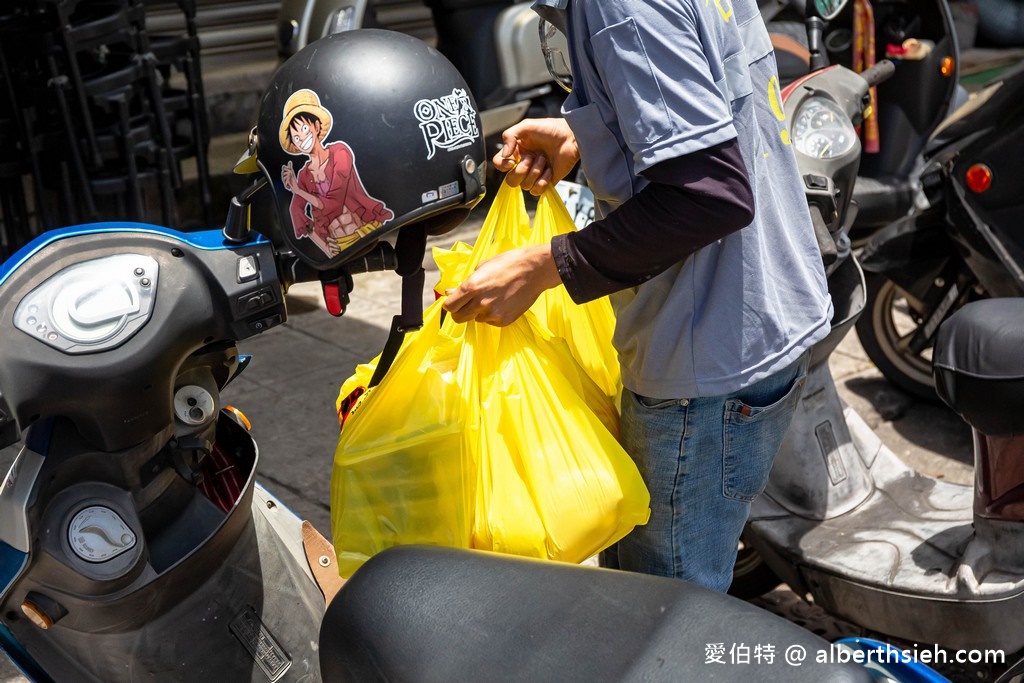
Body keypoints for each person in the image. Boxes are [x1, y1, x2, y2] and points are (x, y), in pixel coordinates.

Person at [442, 0, 833, 592]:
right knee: (638, 605)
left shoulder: (617, 6)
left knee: (668, 624)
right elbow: (711, 95)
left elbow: (708, 197)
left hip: (703, 366)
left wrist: (544, 265)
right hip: (753, 320)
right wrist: (590, 131)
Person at [278, 89, 395, 258]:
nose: (302, 138)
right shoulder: (304, 175)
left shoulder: (340, 152)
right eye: (296, 137)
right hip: (337, 245)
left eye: (304, 128)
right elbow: (296, 211)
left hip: (364, 232)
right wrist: (327, 250)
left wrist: (298, 190)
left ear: (316, 126)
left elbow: (335, 201)